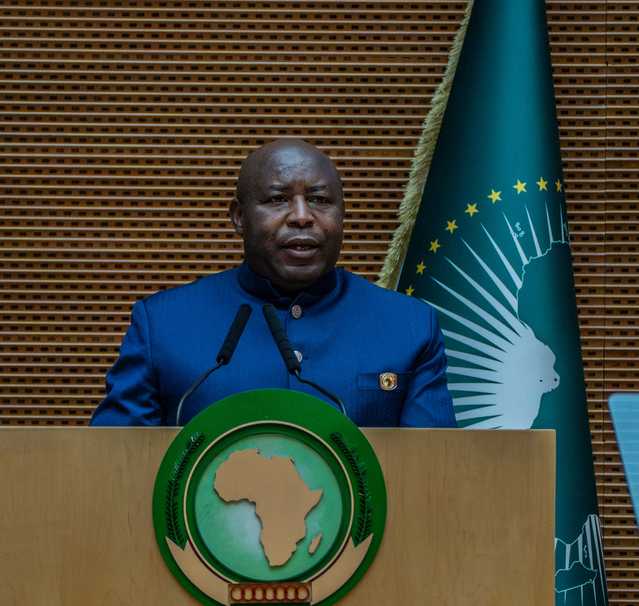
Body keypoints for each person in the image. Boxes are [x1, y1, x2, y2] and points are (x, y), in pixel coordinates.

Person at [89, 139, 456, 428]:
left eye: (320, 200)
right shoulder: (164, 324)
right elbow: (113, 466)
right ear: (239, 217)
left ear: (341, 215)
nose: (301, 216)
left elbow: (434, 475)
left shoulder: (408, 326)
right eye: (278, 199)